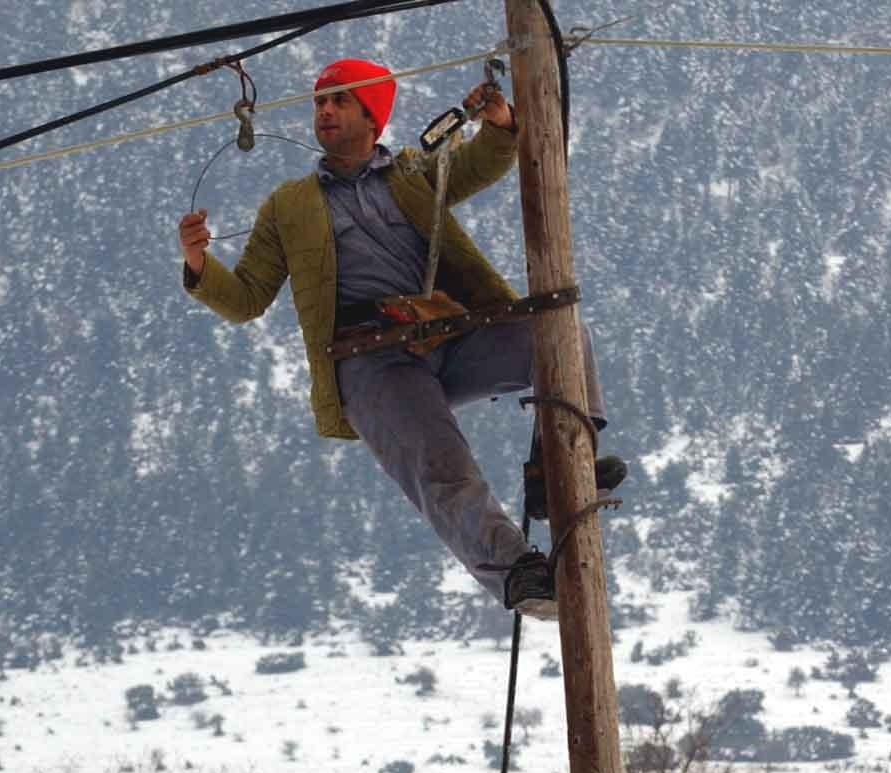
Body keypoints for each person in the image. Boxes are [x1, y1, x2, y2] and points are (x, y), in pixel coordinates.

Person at [177, 57, 624, 620]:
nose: (325, 111)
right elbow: (245, 299)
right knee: (442, 467)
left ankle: (555, 468)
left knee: (559, 335)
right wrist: (198, 263)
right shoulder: (289, 205)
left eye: (339, 100)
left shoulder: (415, 173)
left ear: (372, 116)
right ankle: (518, 573)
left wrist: (500, 121)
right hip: (368, 359)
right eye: (320, 102)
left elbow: (481, 163)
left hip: (445, 334)